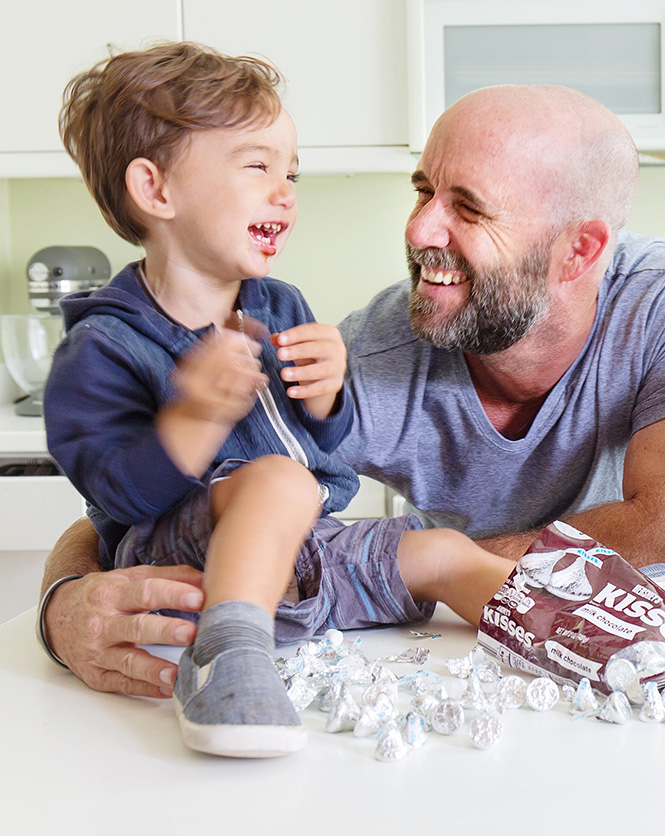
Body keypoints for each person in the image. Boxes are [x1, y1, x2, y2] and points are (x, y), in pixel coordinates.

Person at [38, 82, 665, 699]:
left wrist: (430, 564)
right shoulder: (375, 354)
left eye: (469, 207)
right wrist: (64, 603)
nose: (421, 229)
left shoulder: (664, 301)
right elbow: (159, 501)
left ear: (578, 251)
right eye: (423, 190)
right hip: (476, 662)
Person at [44, 42, 519, 757]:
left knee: (442, 551)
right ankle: (225, 658)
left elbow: (322, 450)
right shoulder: (106, 345)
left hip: (301, 551)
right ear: (156, 190)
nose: (287, 191)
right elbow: (117, 497)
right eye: (257, 165)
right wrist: (193, 422)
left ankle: (582, 631)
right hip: (184, 569)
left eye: (291, 171)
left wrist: (331, 397)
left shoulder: (280, 303)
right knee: (271, 480)